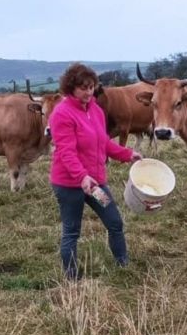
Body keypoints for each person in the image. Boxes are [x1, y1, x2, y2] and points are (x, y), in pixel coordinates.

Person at [49, 62, 143, 280]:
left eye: (91, 87)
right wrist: (81, 176)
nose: (88, 92)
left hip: (94, 185)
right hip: (70, 185)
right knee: (72, 231)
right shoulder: (62, 114)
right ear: (70, 88)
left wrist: (128, 154)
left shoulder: (96, 111)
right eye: (83, 88)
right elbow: (66, 151)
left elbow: (104, 143)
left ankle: (123, 265)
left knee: (114, 222)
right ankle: (72, 278)